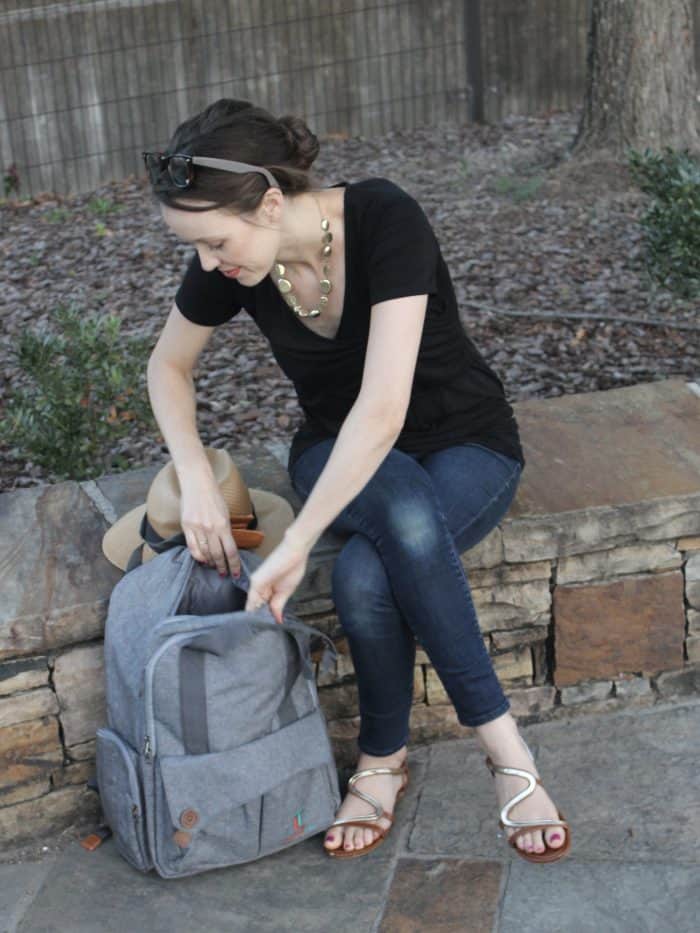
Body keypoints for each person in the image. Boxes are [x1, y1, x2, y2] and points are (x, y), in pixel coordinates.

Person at [142, 98, 570, 862]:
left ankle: (395, 759)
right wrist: (195, 473)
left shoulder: (385, 218)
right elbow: (166, 366)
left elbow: (382, 408)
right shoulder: (238, 255)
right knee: (397, 518)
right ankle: (503, 756)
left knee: (373, 565)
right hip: (333, 450)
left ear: (271, 200)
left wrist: (300, 541)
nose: (207, 263)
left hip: (466, 440)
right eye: (195, 246)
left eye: (212, 242)